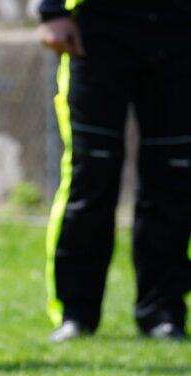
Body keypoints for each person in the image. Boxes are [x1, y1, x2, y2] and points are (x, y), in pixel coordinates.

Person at [38, 0, 191, 342]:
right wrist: (52, 12)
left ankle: (163, 312)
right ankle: (76, 312)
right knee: (91, 172)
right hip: (97, 27)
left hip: (179, 27)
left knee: (175, 176)